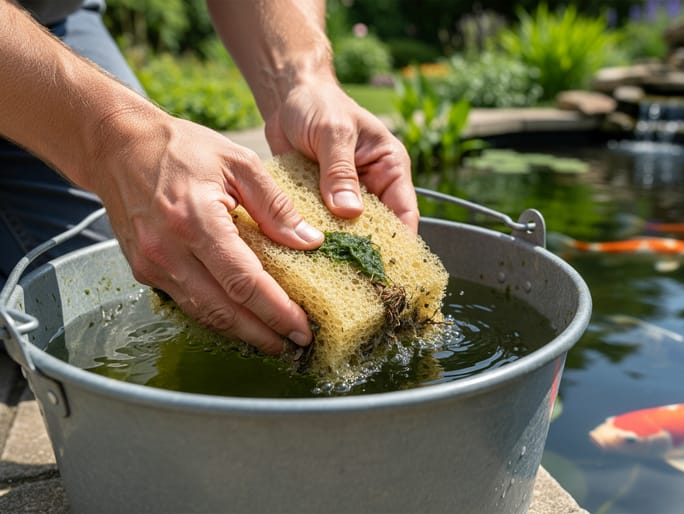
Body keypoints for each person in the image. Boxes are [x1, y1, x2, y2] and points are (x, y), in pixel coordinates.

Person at [0, 0, 418, 355]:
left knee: (166, 249)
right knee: (85, 291)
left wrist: (298, 76)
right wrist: (113, 138)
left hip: (53, 15)